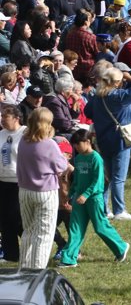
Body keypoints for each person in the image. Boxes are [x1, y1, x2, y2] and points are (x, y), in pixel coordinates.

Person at [57, 129, 129, 268]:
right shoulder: (78, 159)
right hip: (79, 199)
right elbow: (77, 179)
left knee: (100, 227)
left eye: (78, 144)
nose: (76, 147)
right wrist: (70, 194)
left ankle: (121, 248)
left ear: (88, 142)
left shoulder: (96, 158)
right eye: (75, 145)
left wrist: (86, 194)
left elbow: (98, 181)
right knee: (75, 228)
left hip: (94, 199)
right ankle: (69, 258)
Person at [84, 65, 131, 220]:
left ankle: (104, 209)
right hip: (120, 140)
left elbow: (87, 112)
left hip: (103, 139)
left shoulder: (98, 96)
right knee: (118, 177)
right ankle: (119, 210)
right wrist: (129, 77)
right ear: (117, 82)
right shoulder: (118, 96)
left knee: (106, 176)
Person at [16, 107, 71, 269]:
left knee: (28, 231)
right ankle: (37, 271)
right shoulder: (49, 144)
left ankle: (24, 268)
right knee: (44, 234)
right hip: (45, 192)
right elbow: (61, 166)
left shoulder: (23, 141)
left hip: (25, 190)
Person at [0, 106, 25, 263]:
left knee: (18, 219)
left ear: (16, 118)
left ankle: (32, 249)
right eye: (1, 116)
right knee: (4, 219)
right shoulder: (1, 134)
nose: (2, 119)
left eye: (5, 117)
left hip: (19, 182)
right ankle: (11, 255)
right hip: (2, 181)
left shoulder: (25, 133)